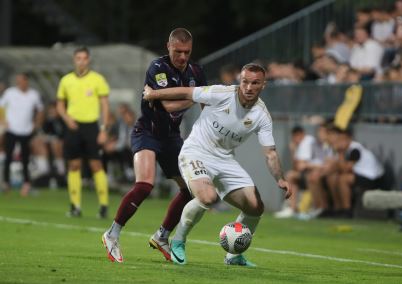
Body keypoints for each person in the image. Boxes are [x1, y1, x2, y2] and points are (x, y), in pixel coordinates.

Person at [142, 63, 291, 266]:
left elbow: (270, 153)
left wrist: (280, 178)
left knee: (255, 207)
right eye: (245, 81)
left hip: (224, 159)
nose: (248, 87)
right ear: (240, 80)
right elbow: (186, 92)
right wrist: (153, 94)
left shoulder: (261, 115)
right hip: (196, 152)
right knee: (208, 197)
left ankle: (234, 254)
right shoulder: (221, 93)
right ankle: (176, 240)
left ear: (263, 85)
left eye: (255, 83)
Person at [102, 28, 207, 263]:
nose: (182, 57)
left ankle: (162, 236)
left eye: (186, 52)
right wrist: (196, 96)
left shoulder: (196, 71)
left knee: (191, 190)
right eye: (177, 51)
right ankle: (112, 233)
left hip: (171, 137)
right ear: (168, 47)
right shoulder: (158, 68)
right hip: (147, 132)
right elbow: (169, 106)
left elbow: (206, 106)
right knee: (145, 184)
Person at [56, 46, 110, 218]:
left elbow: (105, 106)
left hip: (91, 127)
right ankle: (75, 206)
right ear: (74, 60)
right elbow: (60, 104)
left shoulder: (97, 79)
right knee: (73, 165)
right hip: (73, 127)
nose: (81, 61)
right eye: (78, 58)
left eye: (84, 58)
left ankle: (103, 206)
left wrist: (103, 129)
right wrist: (66, 118)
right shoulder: (66, 80)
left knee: (96, 165)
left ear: (88, 60)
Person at [0, 73, 44, 196]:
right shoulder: (10, 93)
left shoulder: (33, 94)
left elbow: (40, 110)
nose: (19, 83)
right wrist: (3, 121)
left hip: (26, 131)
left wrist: (36, 124)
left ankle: (26, 184)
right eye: (17, 81)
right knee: (8, 157)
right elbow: (1, 107)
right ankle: (6, 183)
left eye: (21, 80)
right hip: (12, 129)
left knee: (25, 158)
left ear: (26, 81)